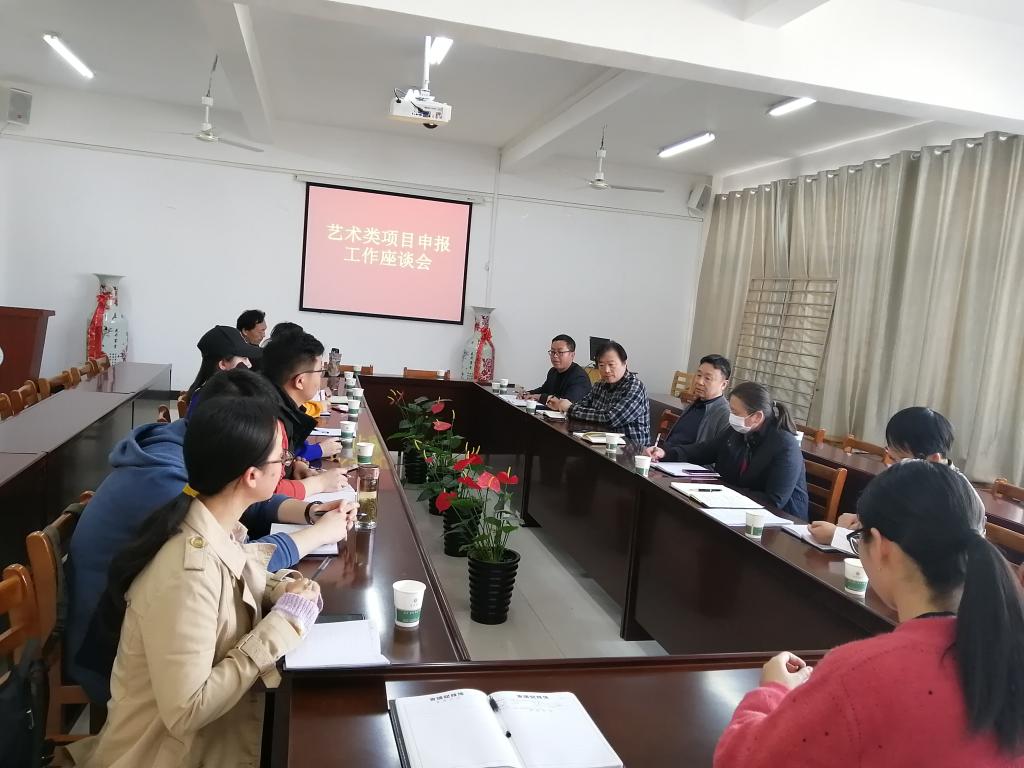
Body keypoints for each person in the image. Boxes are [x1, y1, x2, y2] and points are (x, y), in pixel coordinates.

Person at [66, 397, 346, 767]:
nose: (285, 466)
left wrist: (284, 589)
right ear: (251, 476)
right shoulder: (185, 573)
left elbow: (237, 573)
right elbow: (187, 710)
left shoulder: (210, 523)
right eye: (280, 458)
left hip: (208, 740)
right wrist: (283, 624)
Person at [714, 461, 1024, 767]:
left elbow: (740, 759)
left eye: (857, 537)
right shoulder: (1007, 651)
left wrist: (773, 690)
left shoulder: (861, 673)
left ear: (881, 547)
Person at [807, 406, 982, 544]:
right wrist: (864, 523)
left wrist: (838, 537)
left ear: (933, 459)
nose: (892, 467)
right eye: (891, 456)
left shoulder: (951, 499)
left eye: (900, 459)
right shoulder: (922, 478)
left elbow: (906, 557)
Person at [667, 381, 808, 519]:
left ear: (757, 417)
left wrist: (727, 495)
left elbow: (774, 500)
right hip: (735, 507)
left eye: (735, 412)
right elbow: (706, 450)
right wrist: (667, 453)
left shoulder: (785, 445)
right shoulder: (739, 430)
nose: (731, 417)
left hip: (779, 521)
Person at [548, 340, 650, 444]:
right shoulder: (600, 385)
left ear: (625, 363)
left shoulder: (634, 387)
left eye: (611, 364)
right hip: (600, 443)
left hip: (631, 449)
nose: (606, 370)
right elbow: (581, 405)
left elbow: (611, 419)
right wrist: (562, 405)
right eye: (601, 365)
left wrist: (570, 408)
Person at [261, 330, 342, 461]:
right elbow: (278, 463)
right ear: (300, 381)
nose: (321, 377)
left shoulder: (275, 402)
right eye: (320, 371)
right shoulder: (271, 423)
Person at [644, 354, 732, 459]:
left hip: (689, 465)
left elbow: (713, 455)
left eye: (707, 378)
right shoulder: (695, 403)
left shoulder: (725, 414)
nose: (699, 382)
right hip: (667, 459)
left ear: (723, 384)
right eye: (698, 375)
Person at [185, 325, 257, 413]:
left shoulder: (203, 395)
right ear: (223, 364)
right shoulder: (218, 404)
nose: (249, 364)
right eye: (244, 358)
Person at [525, 334, 592, 404]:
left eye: (560, 352)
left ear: (572, 355)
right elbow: (543, 390)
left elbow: (566, 403)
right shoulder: (553, 371)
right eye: (552, 352)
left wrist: (540, 397)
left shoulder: (579, 377)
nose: (555, 356)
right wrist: (528, 393)